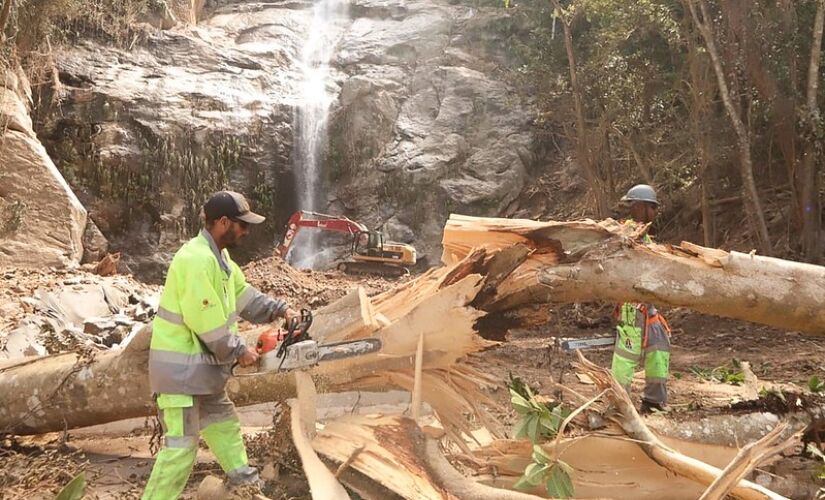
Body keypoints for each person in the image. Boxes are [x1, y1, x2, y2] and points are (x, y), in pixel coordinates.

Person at [143, 191, 298, 499]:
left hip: (203, 373)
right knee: (180, 450)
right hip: (181, 376)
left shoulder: (221, 260)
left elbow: (245, 296)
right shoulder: (195, 259)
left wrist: (279, 309)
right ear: (223, 222)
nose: (246, 231)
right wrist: (238, 350)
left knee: (226, 428)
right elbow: (205, 320)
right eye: (242, 225)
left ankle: (247, 487)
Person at [612, 184, 672, 414]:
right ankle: (619, 403)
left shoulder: (646, 236)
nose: (655, 213)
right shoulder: (624, 232)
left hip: (648, 307)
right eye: (651, 208)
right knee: (626, 357)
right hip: (631, 306)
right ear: (639, 207)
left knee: (659, 345)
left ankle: (653, 401)